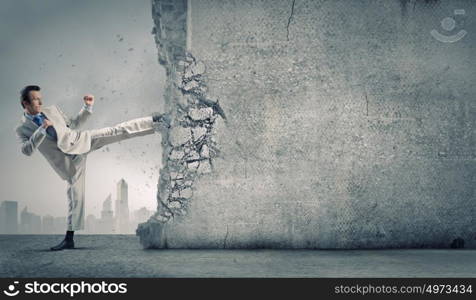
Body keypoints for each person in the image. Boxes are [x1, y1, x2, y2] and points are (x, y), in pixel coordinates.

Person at [15, 85, 170, 251]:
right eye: (36, 99)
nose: (40, 101)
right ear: (25, 103)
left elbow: (73, 124)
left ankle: (155, 122)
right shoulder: (22, 129)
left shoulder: (51, 110)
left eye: (40, 98)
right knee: (75, 197)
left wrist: (87, 107)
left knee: (116, 130)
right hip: (69, 162)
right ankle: (69, 239)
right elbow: (27, 150)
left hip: (82, 141)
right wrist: (41, 130)